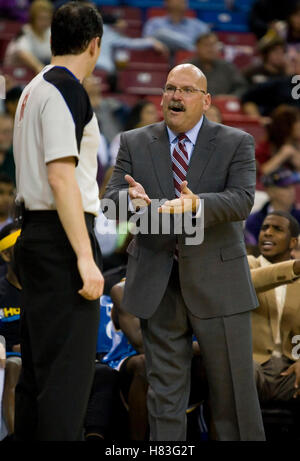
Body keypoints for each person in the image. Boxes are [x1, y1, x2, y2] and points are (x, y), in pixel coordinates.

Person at [103, 63, 265, 441]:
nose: (176, 96)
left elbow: (242, 201)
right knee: (164, 397)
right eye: (170, 88)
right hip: (158, 284)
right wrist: (132, 200)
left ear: (206, 101)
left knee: (233, 398)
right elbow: (110, 203)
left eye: (187, 90)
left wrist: (196, 206)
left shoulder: (235, 141)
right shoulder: (134, 140)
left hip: (219, 284)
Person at [12, 2, 104, 441]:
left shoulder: (31, 87)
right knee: (66, 383)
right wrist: (85, 258)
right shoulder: (68, 88)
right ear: (94, 45)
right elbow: (60, 176)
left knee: (38, 377)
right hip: (62, 239)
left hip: (33, 233)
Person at [248, 211, 300, 409]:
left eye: (277, 229)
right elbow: (249, 282)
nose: (267, 233)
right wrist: (294, 267)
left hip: (290, 367)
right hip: (254, 365)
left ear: (293, 242)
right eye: (264, 228)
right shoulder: (246, 265)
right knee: (242, 370)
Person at [0, 223, 22, 436]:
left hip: (41, 357)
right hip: (8, 360)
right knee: (15, 365)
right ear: (7, 255)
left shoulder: (47, 291)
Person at [245, 168, 300, 245]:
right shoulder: (255, 221)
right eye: (285, 187)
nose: (291, 191)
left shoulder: (299, 217)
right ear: (270, 191)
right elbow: (252, 249)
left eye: (292, 186)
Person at [186, 32, 248, 98]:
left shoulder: (227, 67)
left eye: (213, 45)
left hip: (223, 105)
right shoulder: (187, 68)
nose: (210, 49)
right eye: (206, 45)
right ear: (197, 47)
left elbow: (242, 87)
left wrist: (231, 97)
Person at [4, 0, 53, 74]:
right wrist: (42, 70)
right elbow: (23, 54)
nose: (45, 22)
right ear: (33, 18)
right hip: (15, 74)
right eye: (41, 19)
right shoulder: (25, 32)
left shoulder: (50, 32)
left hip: (40, 68)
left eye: (47, 18)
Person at [143, 0, 210, 52]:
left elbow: (209, 44)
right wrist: (153, 43)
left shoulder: (199, 25)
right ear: (166, 2)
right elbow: (146, 41)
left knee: (161, 33)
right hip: (161, 59)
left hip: (192, 63)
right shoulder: (154, 23)